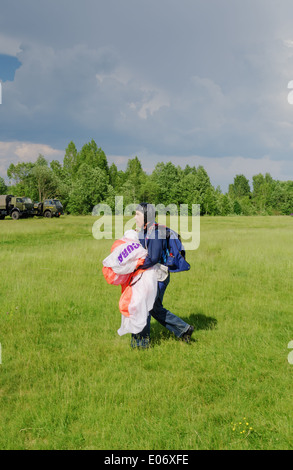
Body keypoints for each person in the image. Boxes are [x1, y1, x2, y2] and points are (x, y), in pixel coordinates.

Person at [131, 202, 194, 349]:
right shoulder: (148, 230)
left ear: (146, 216)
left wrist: (136, 266)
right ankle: (184, 329)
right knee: (155, 308)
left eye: (137, 214)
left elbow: (153, 257)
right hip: (153, 275)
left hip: (159, 276)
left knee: (144, 306)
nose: (134, 217)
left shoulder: (155, 233)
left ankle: (141, 343)